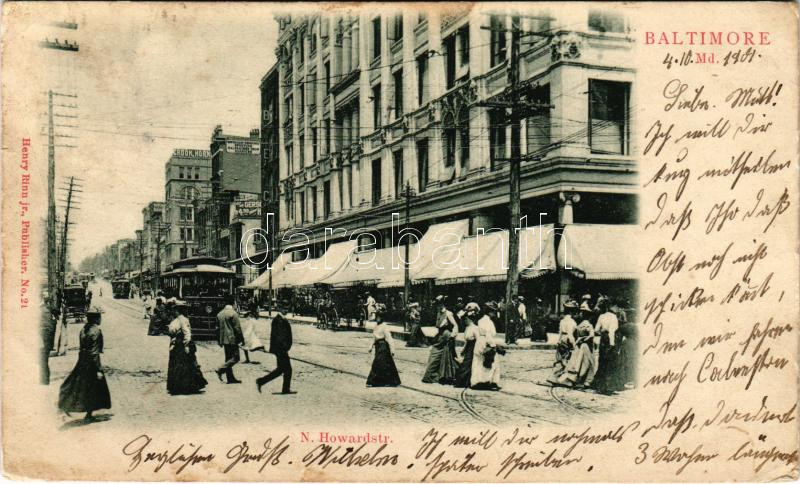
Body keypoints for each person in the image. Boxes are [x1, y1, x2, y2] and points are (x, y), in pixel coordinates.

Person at [58, 307, 111, 421]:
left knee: (80, 385)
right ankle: (84, 413)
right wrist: (98, 369)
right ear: (96, 318)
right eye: (99, 317)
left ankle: (85, 412)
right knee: (92, 388)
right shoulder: (96, 331)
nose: (101, 319)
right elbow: (94, 352)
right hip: (91, 362)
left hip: (82, 360)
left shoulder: (83, 329)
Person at [166, 302, 207, 395]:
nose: (174, 312)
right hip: (176, 344)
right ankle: (177, 386)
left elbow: (187, 334)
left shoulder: (183, 320)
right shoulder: (177, 320)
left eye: (175, 310)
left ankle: (185, 387)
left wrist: (186, 345)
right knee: (177, 365)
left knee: (183, 366)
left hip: (181, 345)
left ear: (178, 311)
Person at [421, 296, 459, 384]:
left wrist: (453, 335)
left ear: (443, 304)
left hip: (446, 337)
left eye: (439, 304)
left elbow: (455, 325)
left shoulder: (448, 314)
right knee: (440, 356)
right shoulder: (439, 313)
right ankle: (440, 376)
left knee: (445, 356)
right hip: (440, 337)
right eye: (437, 304)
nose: (437, 306)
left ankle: (443, 376)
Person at [552, 315, 596, 389]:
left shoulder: (579, 325)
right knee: (588, 362)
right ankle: (586, 381)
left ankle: (574, 379)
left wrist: (578, 341)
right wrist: (585, 338)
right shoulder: (588, 324)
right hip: (587, 346)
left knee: (577, 362)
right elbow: (592, 335)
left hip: (580, 346)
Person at [256, 313, 295, 394]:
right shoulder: (278, 320)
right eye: (284, 308)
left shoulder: (280, 319)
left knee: (281, 369)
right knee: (287, 369)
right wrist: (284, 347)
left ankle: (261, 381)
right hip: (280, 349)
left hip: (280, 348)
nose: (286, 310)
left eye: (287, 308)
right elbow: (279, 336)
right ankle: (285, 389)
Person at [471, 302, 503, 390]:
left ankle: (477, 381)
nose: (494, 314)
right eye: (493, 312)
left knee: (478, 362)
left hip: (480, 342)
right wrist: (494, 346)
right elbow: (488, 335)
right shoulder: (488, 322)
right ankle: (490, 381)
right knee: (493, 362)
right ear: (490, 312)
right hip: (486, 343)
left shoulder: (481, 320)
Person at [366, 308, 401, 387]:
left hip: (383, 346)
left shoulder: (384, 326)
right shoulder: (376, 326)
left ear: (382, 318)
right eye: (376, 317)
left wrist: (392, 349)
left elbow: (389, 338)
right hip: (378, 346)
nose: (377, 319)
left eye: (378, 317)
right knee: (384, 364)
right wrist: (370, 347)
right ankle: (384, 381)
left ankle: (373, 381)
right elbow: (374, 337)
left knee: (378, 363)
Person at [593, 299, 622, 394]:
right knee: (610, 363)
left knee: (602, 362)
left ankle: (599, 386)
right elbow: (612, 332)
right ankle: (608, 387)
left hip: (603, 340)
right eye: (616, 307)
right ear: (611, 307)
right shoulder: (613, 317)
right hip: (610, 340)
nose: (617, 309)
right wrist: (612, 344)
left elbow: (596, 330)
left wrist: (602, 331)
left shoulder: (601, 316)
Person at [215, 302, 244, 384]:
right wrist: (241, 339)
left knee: (228, 359)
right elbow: (237, 328)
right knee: (236, 357)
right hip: (232, 339)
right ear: (233, 304)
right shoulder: (233, 313)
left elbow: (217, 329)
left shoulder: (219, 314)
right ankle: (220, 369)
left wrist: (219, 340)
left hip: (224, 340)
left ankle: (230, 378)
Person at [454, 302, 480, 388]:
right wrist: (463, 349)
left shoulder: (474, 328)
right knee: (466, 364)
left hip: (473, 347)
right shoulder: (467, 328)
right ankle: (463, 381)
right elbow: (466, 341)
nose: (464, 321)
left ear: (469, 319)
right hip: (468, 347)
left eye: (465, 319)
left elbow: (478, 340)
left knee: (467, 364)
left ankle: (464, 382)